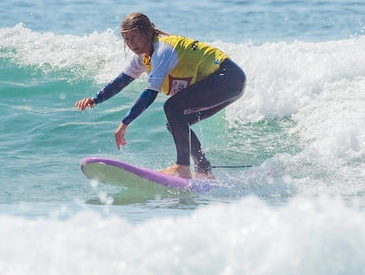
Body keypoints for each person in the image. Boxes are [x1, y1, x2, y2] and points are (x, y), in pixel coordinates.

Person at [73, 12, 245, 179]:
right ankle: (204, 170)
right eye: (126, 39)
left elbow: (150, 93)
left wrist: (124, 123)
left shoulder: (163, 49)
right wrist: (95, 99)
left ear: (147, 32)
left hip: (228, 77)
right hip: (229, 83)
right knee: (176, 123)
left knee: (172, 107)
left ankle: (182, 168)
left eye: (134, 37)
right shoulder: (143, 58)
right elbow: (121, 82)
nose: (131, 43)